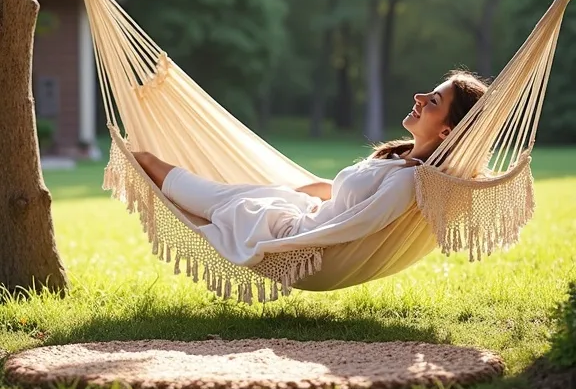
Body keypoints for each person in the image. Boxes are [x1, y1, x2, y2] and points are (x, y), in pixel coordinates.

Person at [132, 70, 488, 268]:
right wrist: (281, 188)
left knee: (157, 171)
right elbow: (337, 193)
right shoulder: (399, 159)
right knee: (191, 198)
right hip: (284, 207)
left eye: (433, 101)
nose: (419, 98)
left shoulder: (409, 182)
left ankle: (140, 151)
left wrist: (284, 248)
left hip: (281, 229)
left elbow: (352, 226)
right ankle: (150, 164)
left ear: (446, 131)